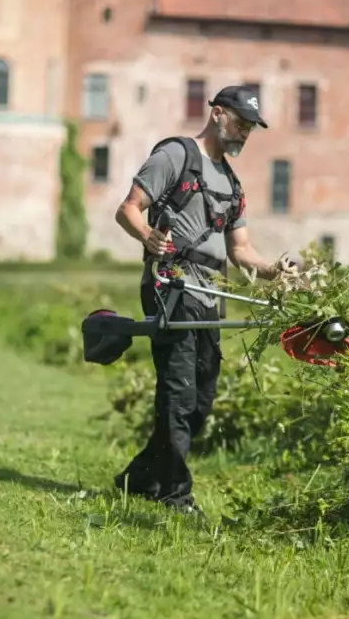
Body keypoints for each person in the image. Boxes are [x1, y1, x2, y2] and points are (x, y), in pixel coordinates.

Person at [112, 85, 296, 514]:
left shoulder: (232, 183)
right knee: (178, 394)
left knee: (200, 402)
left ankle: (139, 478)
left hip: (209, 294)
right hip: (171, 285)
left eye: (251, 127)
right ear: (216, 114)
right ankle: (176, 494)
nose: (245, 133)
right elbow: (129, 209)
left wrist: (276, 273)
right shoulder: (175, 156)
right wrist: (149, 238)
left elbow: (241, 250)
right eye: (241, 122)